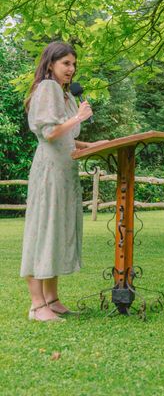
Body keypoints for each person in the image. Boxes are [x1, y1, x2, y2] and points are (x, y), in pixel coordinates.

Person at [21, 41, 97, 322]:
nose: (71, 69)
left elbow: (66, 136)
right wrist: (78, 117)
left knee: (56, 231)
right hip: (50, 172)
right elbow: (50, 132)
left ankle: (52, 299)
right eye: (66, 63)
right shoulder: (47, 88)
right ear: (51, 63)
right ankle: (37, 305)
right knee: (42, 231)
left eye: (74, 64)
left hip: (66, 173)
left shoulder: (66, 95)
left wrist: (90, 144)